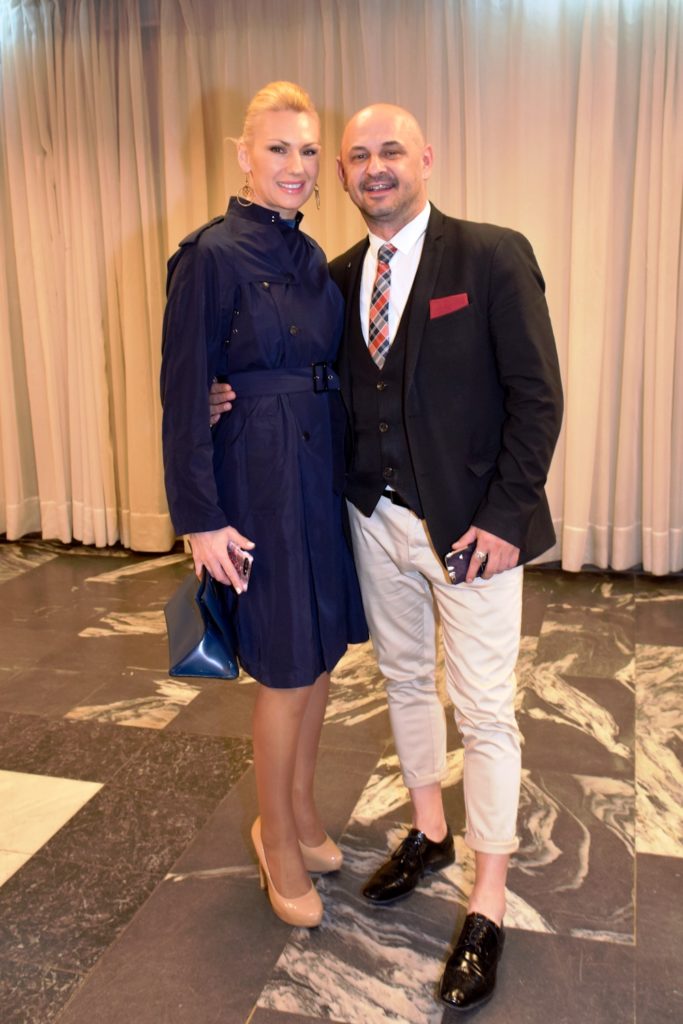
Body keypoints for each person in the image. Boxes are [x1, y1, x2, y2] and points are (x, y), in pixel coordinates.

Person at [210, 102, 563, 1009]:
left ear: (425, 158)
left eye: (390, 151)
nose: (374, 167)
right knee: (404, 681)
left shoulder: (490, 256)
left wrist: (506, 517)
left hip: (473, 530)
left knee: (483, 711)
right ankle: (429, 830)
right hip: (371, 519)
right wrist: (224, 396)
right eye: (358, 154)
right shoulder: (335, 277)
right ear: (342, 175)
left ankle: (486, 899)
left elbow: (537, 396)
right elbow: (301, 378)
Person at [160, 81, 367, 930]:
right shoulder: (209, 256)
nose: (295, 164)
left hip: (318, 473)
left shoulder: (313, 256)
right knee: (283, 668)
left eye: (308, 150)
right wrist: (200, 519)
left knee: (318, 659)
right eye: (278, 147)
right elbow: (182, 394)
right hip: (257, 481)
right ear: (243, 155)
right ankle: (273, 835)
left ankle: (303, 812)